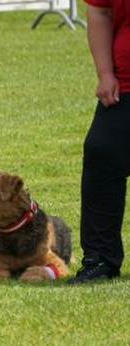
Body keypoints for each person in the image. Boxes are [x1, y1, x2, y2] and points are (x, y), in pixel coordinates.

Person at [69, 0, 129, 284]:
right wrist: (105, 73)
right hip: (124, 85)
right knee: (101, 153)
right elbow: (100, 11)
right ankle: (99, 259)